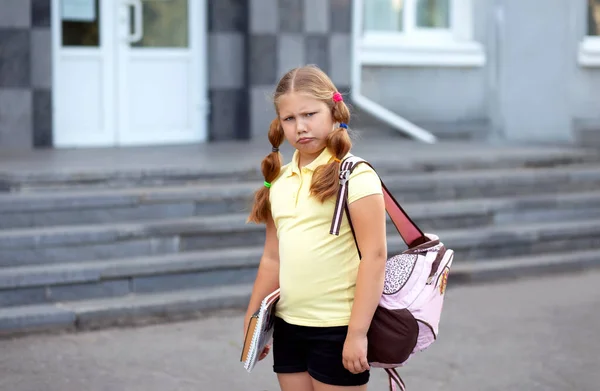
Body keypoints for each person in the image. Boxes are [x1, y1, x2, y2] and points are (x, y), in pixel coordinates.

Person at [244, 65, 387, 391]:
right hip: (288, 327)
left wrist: (357, 334)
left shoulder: (356, 177)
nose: (301, 127)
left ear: (334, 111)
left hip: (337, 328)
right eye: (289, 119)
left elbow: (375, 258)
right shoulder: (279, 180)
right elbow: (272, 259)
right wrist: (254, 318)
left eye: (310, 114)